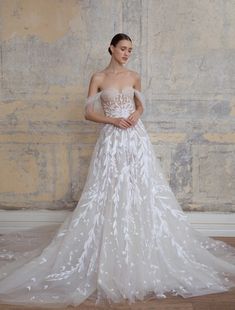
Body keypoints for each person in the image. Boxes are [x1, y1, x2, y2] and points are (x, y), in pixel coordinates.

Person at [0, 33, 235, 308]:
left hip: (136, 140)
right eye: (123, 49)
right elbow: (87, 113)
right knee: (109, 189)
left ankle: (141, 247)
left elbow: (139, 104)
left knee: (140, 188)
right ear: (111, 48)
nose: (127, 53)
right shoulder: (98, 78)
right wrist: (112, 120)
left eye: (130, 50)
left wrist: (138, 113)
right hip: (111, 140)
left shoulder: (134, 75)